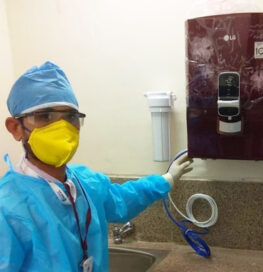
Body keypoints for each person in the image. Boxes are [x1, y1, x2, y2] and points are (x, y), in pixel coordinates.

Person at [0, 61, 193, 272]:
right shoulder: (8, 209)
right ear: (16, 128)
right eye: (45, 116)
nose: (62, 127)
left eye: (70, 117)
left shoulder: (84, 183)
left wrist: (167, 179)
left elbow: (123, 199)